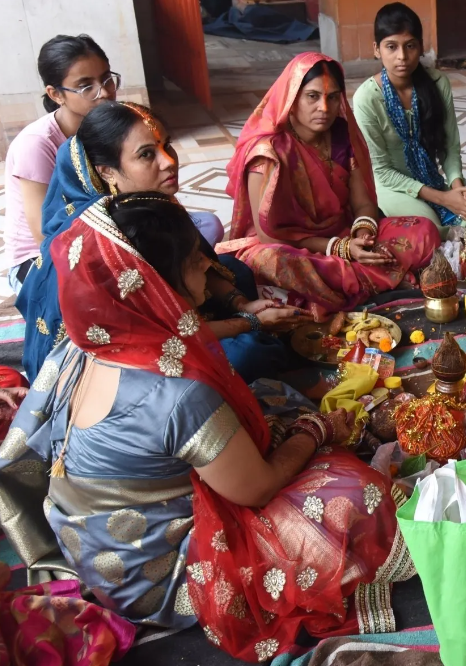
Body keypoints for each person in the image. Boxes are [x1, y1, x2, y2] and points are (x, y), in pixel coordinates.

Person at [0, 195, 411, 662]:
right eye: (191, 259)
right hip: (157, 578)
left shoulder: (79, 348)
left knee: (269, 395)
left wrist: (248, 323)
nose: (203, 262)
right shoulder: (176, 395)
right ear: (151, 285)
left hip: (91, 547)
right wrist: (317, 429)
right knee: (356, 491)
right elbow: (257, 490)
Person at [16, 101, 302, 383]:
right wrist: (250, 321)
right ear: (106, 171)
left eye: (167, 145)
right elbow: (159, 333)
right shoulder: (105, 242)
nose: (169, 161)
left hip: (169, 315)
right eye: (146, 154)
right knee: (247, 355)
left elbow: (195, 258)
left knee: (232, 269)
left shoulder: (149, 198)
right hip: (118, 362)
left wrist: (241, 303)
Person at [219, 52, 440, 319]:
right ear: (292, 97)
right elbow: (270, 236)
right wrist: (340, 248)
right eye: (312, 96)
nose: (324, 108)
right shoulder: (268, 153)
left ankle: (337, 293)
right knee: (270, 263)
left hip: (345, 232)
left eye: (333, 97)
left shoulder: (342, 136)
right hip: (293, 247)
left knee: (423, 230)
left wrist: (362, 233)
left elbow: (363, 203)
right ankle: (379, 280)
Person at [353, 2, 466, 233]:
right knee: (430, 229)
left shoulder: (437, 83)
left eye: (410, 46)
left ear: (421, 46)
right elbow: (381, 171)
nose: (402, 56)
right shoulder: (366, 98)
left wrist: (457, 189)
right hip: (388, 186)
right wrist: (444, 199)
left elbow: (449, 147)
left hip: (430, 180)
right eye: (391, 47)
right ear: (376, 49)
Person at [3, 35, 117, 295]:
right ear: (56, 94)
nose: (106, 92)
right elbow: (44, 235)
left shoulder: (114, 125)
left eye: (107, 78)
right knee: (105, 296)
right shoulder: (36, 145)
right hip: (40, 260)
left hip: (107, 234)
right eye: (86, 86)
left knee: (201, 227)